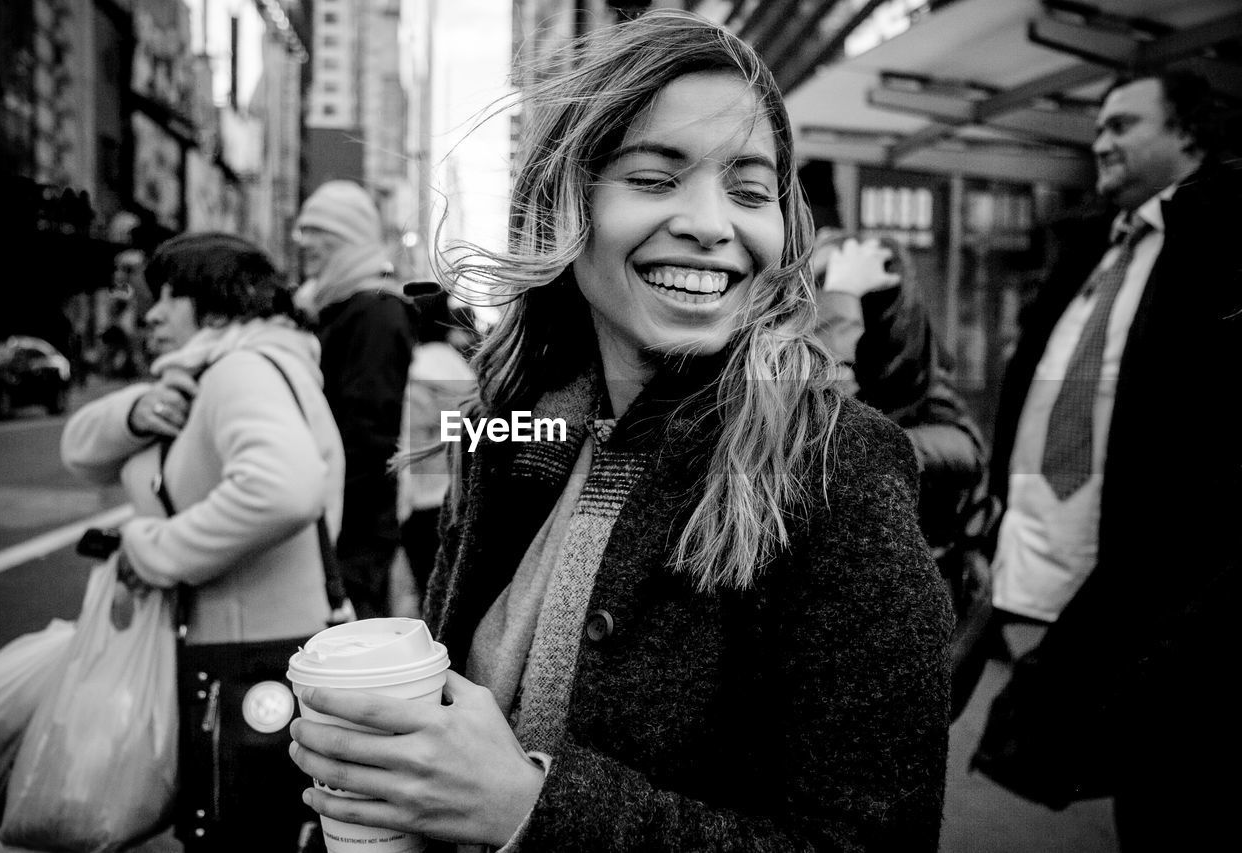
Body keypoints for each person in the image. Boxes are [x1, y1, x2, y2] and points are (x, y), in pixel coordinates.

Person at [289, 11, 952, 851]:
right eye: (655, 178)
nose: (712, 223)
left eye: (748, 190)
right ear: (568, 203)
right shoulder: (513, 433)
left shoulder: (837, 468)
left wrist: (531, 810)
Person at [971, 70, 1242, 850]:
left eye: (1123, 123)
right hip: (1048, 585)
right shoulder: (1092, 251)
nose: (1100, 140)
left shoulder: (1221, 247)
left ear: (1188, 134)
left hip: (1162, 610)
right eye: (1097, 126)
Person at [60, 233, 345, 850]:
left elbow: (284, 488)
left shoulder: (240, 372)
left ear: (217, 307)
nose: (151, 313)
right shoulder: (214, 376)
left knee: (237, 832)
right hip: (242, 652)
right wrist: (139, 410)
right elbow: (80, 453)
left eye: (169, 296)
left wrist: (151, 549)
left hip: (248, 659)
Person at [811, 229, 990, 719]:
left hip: (867, 682)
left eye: (824, 295)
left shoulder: (936, 434)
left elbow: (826, 442)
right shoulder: (906, 398)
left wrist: (840, 297)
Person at [293, 180, 416, 619]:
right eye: (301, 232)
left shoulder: (375, 311)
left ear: (347, 240)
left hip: (354, 525)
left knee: (347, 653)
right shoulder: (339, 306)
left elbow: (368, 431)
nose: (304, 244)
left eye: (318, 234)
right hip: (337, 518)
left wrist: (329, 514)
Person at [397, 293, 479, 600]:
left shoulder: (413, 373)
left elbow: (408, 439)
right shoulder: (463, 369)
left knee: (429, 590)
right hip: (461, 493)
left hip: (423, 498)